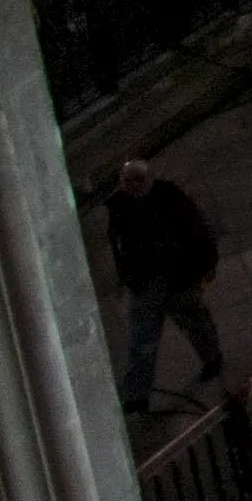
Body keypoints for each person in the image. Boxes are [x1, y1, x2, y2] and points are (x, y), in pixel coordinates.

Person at [100, 158, 222, 414]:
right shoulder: (120, 208)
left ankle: (212, 358)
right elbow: (121, 249)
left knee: (194, 322)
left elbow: (195, 232)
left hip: (178, 277)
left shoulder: (169, 199)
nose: (133, 186)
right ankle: (137, 396)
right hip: (147, 282)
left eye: (139, 179)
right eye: (128, 180)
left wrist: (200, 267)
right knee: (143, 340)